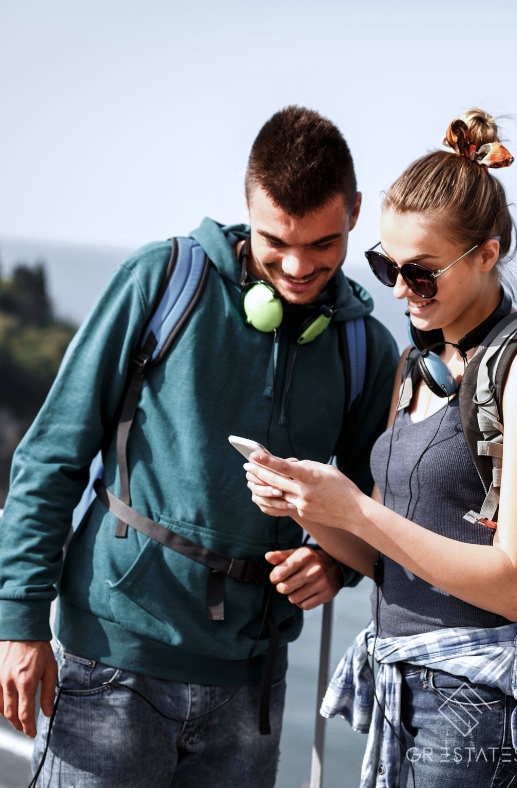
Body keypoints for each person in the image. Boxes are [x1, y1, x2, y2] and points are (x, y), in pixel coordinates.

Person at [0, 106, 399, 786]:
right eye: (278, 241)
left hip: (252, 689)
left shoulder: (365, 347)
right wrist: (19, 618)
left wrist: (334, 562)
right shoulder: (161, 279)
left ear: (356, 211)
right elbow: (53, 453)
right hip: (111, 663)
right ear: (247, 206)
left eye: (324, 245)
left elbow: (375, 504)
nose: (299, 267)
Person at [245, 109, 517, 787]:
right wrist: (310, 507)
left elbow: (516, 584)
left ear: (487, 254)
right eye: (385, 266)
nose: (399, 289)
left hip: (478, 704)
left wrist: (356, 510)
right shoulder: (413, 365)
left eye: (422, 273)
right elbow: (382, 555)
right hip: (403, 688)